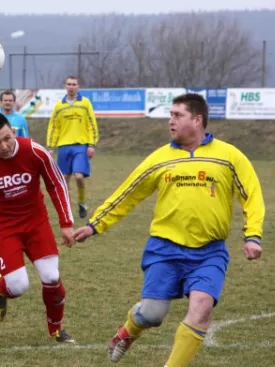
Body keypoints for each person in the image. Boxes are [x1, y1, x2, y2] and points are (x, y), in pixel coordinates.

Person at [73, 93, 265, 366]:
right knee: (151, 315)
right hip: (165, 248)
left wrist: (253, 235)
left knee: (201, 310)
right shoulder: (160, 158)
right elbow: (127, 194)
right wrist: (95, 225)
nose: (170, 121)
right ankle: (127, 332)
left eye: (177, 115)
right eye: (170, 115)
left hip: (209, 252)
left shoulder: (229, 157)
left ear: (197, 120)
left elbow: (252, 196)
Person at [0, 112, 77, 344]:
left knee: (51, 276)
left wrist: (66, 223)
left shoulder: (34, 151)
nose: (4, 146)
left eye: (7, 138)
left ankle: (56, 329)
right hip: (2, 226)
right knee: (18, 286)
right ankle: (1, 287)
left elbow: (56, 183)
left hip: (35, 221)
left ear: (14, 133)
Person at [46, 75, 98, 219]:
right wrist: (51, 147)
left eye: (74, 84)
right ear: (65, 86)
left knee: (79, 176)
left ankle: (82, 202)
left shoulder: (85, 103)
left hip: (81, 146)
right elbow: (54, 128)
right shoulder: (59, 106)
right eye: (69, 84)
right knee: (64, 179)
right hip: (63, 147)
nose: (71, 86)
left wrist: (92, 144)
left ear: (78, 87)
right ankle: (67, 210)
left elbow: (92, 124)